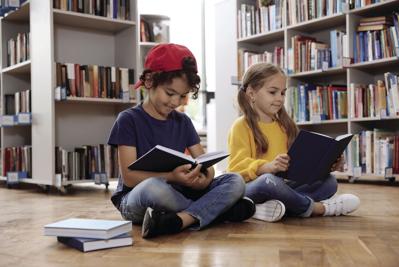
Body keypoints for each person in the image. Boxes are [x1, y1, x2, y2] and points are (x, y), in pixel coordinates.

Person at [108, 43, 255, 239]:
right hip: (137, 198)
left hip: (181, 193)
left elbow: (206, 163)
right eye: (170, 93)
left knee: (235, 180)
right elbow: (129, 177)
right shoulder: (128, 120)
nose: (176, 102)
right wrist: (171, 177)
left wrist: (205, 179)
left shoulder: (183, 121)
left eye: (183, 96)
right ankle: (219, 212)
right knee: (154, 188)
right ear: (150, 80)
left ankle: (182, 219)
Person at [227, 62, 360, 222]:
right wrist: (268, 167)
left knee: (329, 182)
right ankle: (317, 208)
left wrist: (328, 164)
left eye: (283, 93)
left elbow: (298, 164)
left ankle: (266, 209)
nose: (279, 98)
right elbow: (236, 168)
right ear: (251, 93)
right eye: (272, 92)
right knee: (268, 181)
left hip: (282, 187)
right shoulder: (241, 125)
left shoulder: (285, 126)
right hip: (254, 187)